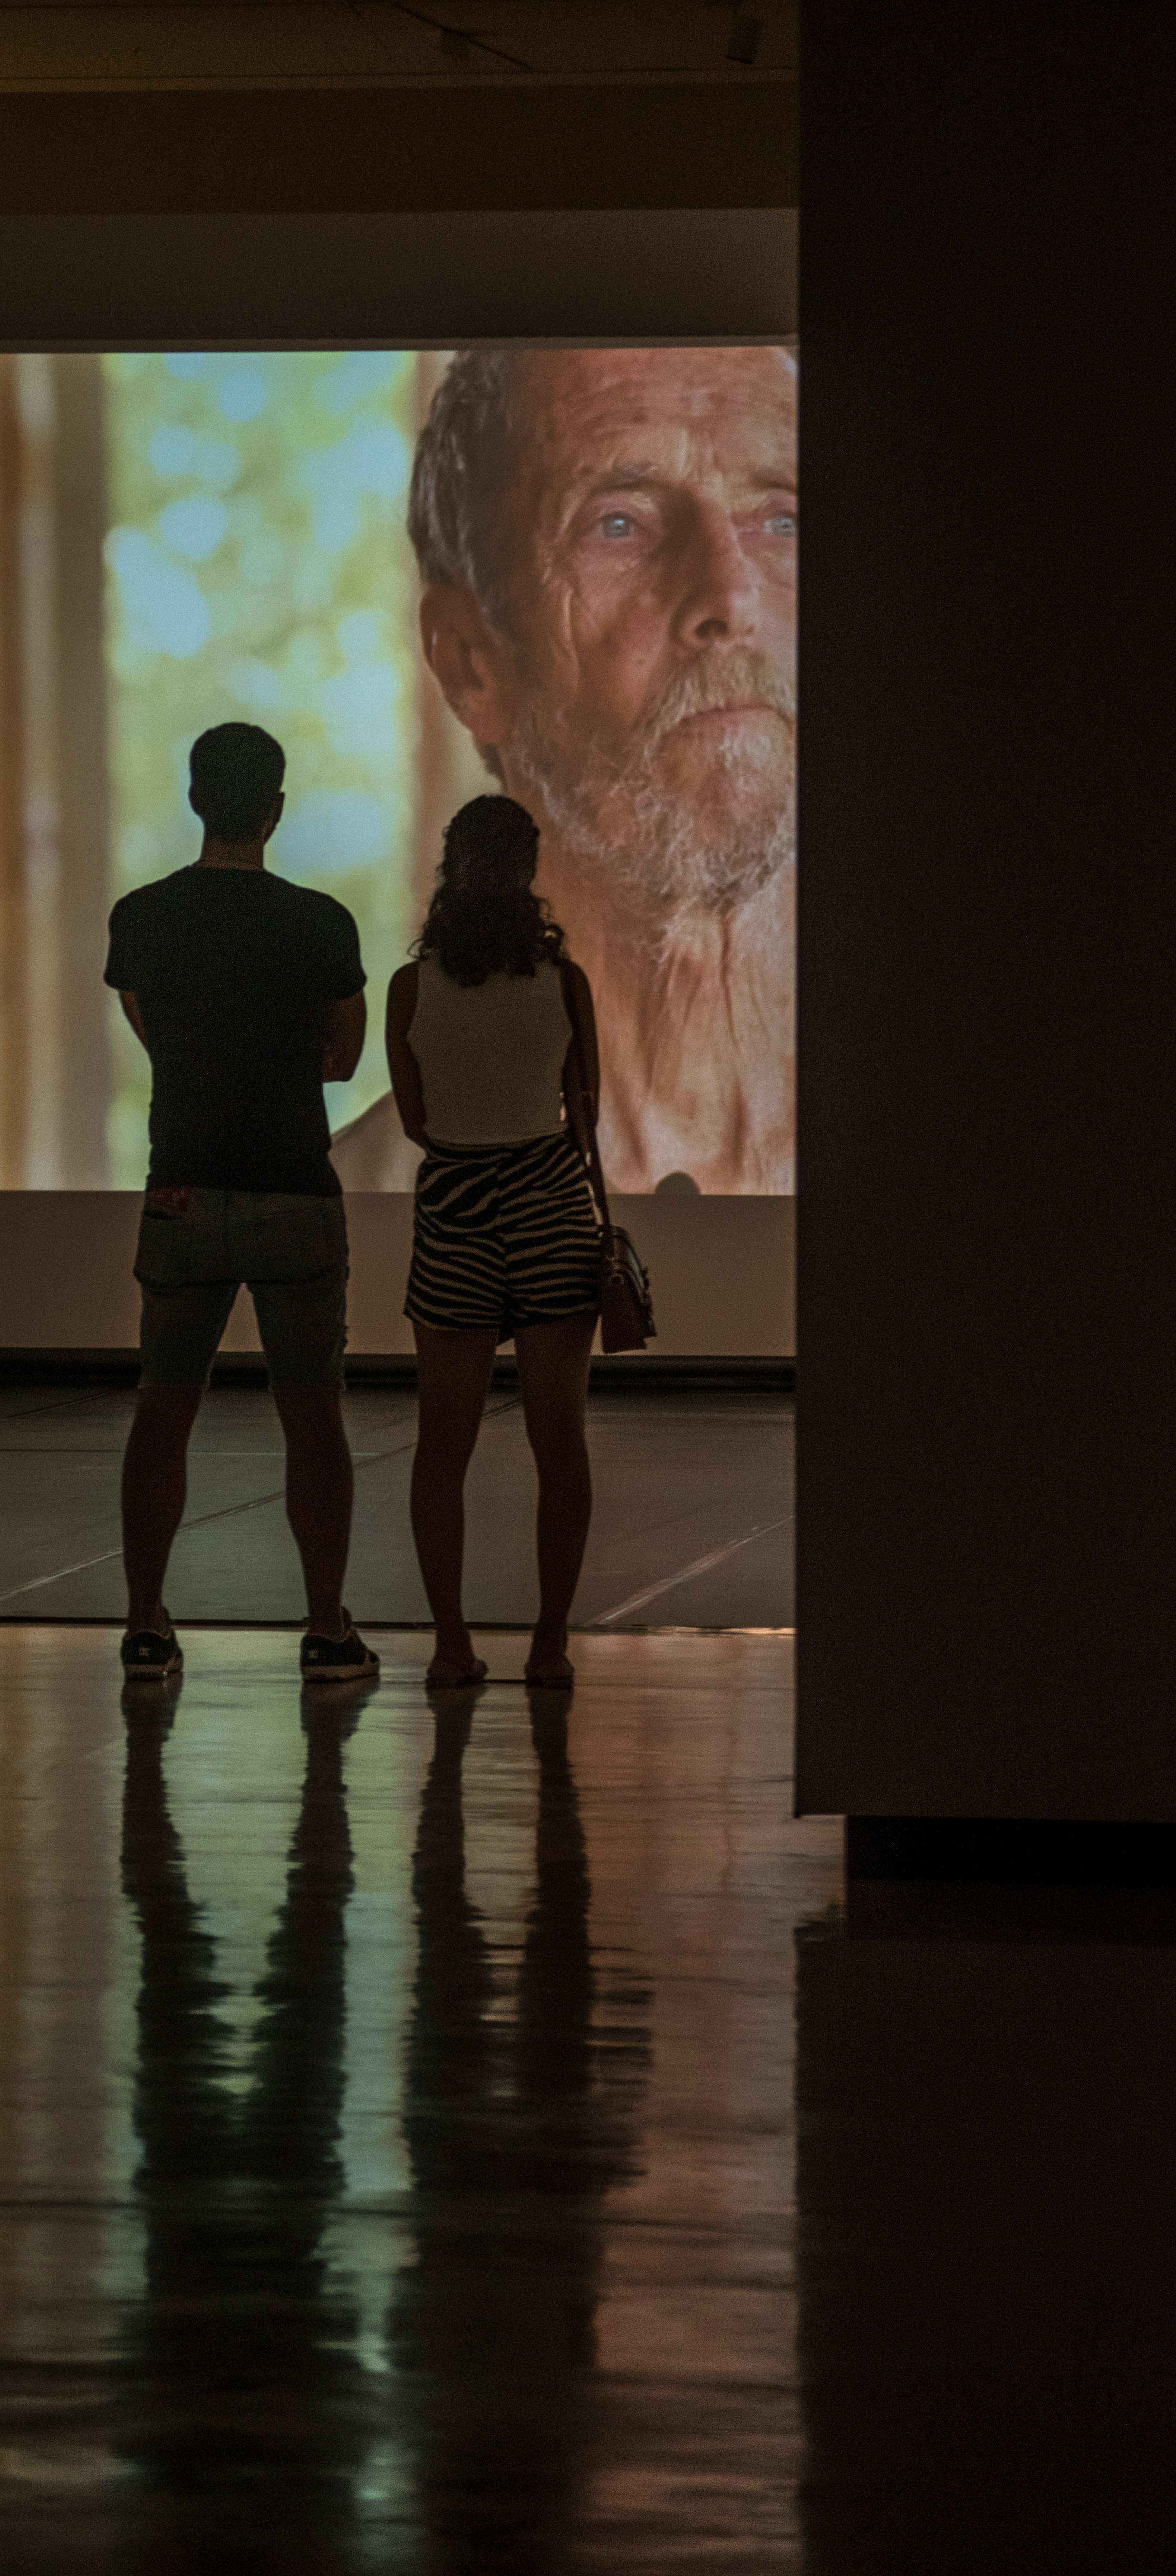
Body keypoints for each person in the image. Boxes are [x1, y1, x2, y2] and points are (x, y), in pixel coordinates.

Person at [334, 343, 796, 1197]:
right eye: (618, 524)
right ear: (471, 662)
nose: (732, 598)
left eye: (782, 520)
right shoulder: (358, 1219)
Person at [106, 721, 380, 1688]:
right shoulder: (321, 926)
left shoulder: (138, 919)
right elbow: (344, 1059)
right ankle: (325, 1629)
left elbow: (155, 1036)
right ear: (273, 809)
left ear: (194, 801)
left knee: (161, 1413)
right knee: (312, 1419)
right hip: (292, 1195)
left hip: (181, 1189)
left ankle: (145, 1625)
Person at [386, 794, 604, 1689]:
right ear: (528, 873)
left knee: (445, 1446)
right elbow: (587, 1114)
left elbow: (416, 1119)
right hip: (552, 1209)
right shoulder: (565, 983)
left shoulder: (411, 987)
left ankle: (450, 1644)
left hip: (456, 1214)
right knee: (562, 1440)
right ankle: (550, 1644)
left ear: (450, 869)